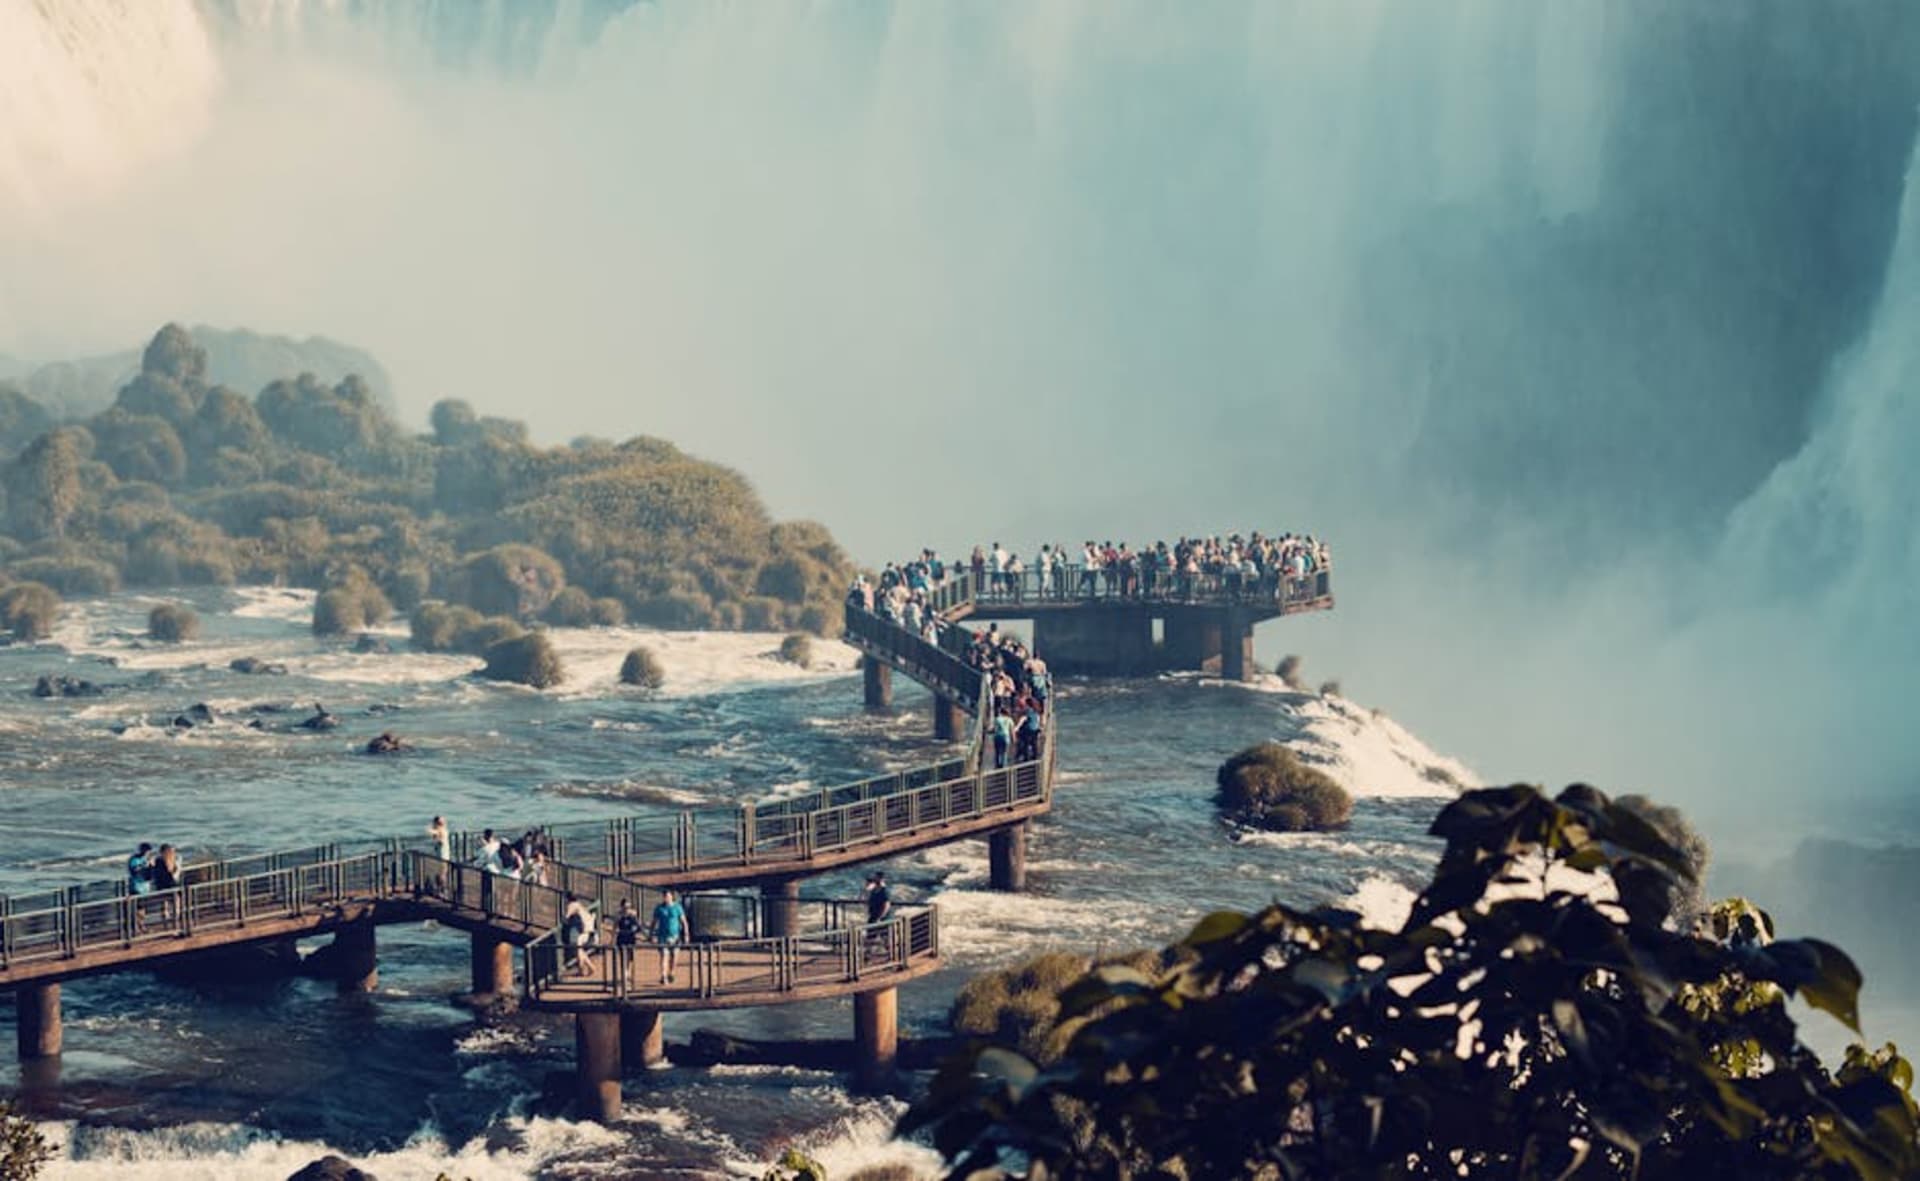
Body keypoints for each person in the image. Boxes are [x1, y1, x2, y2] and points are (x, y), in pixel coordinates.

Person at [651, 888, 689, 985]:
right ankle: (663, 975)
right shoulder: (659, 908)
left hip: (675, 936)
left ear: (672, 897)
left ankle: (671, 972)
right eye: (664, 896)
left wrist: (686, 934)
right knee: (664, 955)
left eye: (668, 896)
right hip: (663, 936)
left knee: (674, 956)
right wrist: (652, 934)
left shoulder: (677, 907)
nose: (666, 898)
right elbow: (654, 922)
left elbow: (683, 921)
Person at [562, 895, 596, 977]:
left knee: (578, 949)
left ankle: (582, 969)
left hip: (584, 929)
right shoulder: (579, 905)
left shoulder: (572, 905)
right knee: (579, 949)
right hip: (589, 928)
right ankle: (591, 967)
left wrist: (564, 921)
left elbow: (566, 917)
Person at [152, 844, 182, 923]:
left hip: (161, 884)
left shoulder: (158, 860)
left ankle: (165, 917)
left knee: (164, 901)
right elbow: (175, 872)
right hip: (171, 882)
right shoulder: (172, 860)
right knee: (176, 900)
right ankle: (176, 917)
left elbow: (155, 871)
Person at [615, 897, 642, 980]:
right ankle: (624, 973)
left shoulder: (633, 915)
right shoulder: (619, 916)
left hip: (630, 938)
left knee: (630, 957)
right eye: (625, 907)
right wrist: (612, 939)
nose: (627, 909)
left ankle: (629, 972)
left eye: (628, 907)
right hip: (622, 938)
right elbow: (615, 927)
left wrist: (636, 929)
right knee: (623, 956)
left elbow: (638, 926)